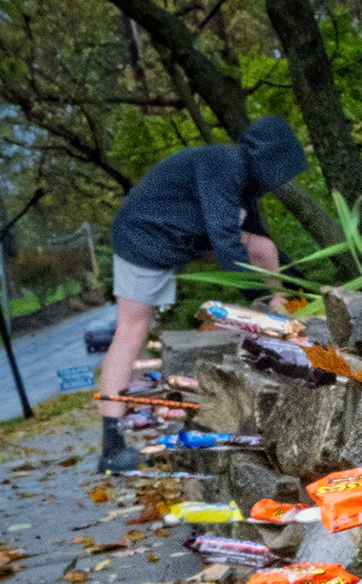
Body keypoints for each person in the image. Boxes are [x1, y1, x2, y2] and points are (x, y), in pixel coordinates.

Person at [96, 115, 308, 472]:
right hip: (144, 237)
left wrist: (302, 286)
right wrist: (251, 310)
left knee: (263, 249)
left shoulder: (244, 183)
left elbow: (259, 247)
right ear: (270, 159)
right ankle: (111, 447)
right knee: (130, 333)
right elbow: (225, 239)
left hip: (181, 236)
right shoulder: (223, 164)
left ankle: (285, 311)